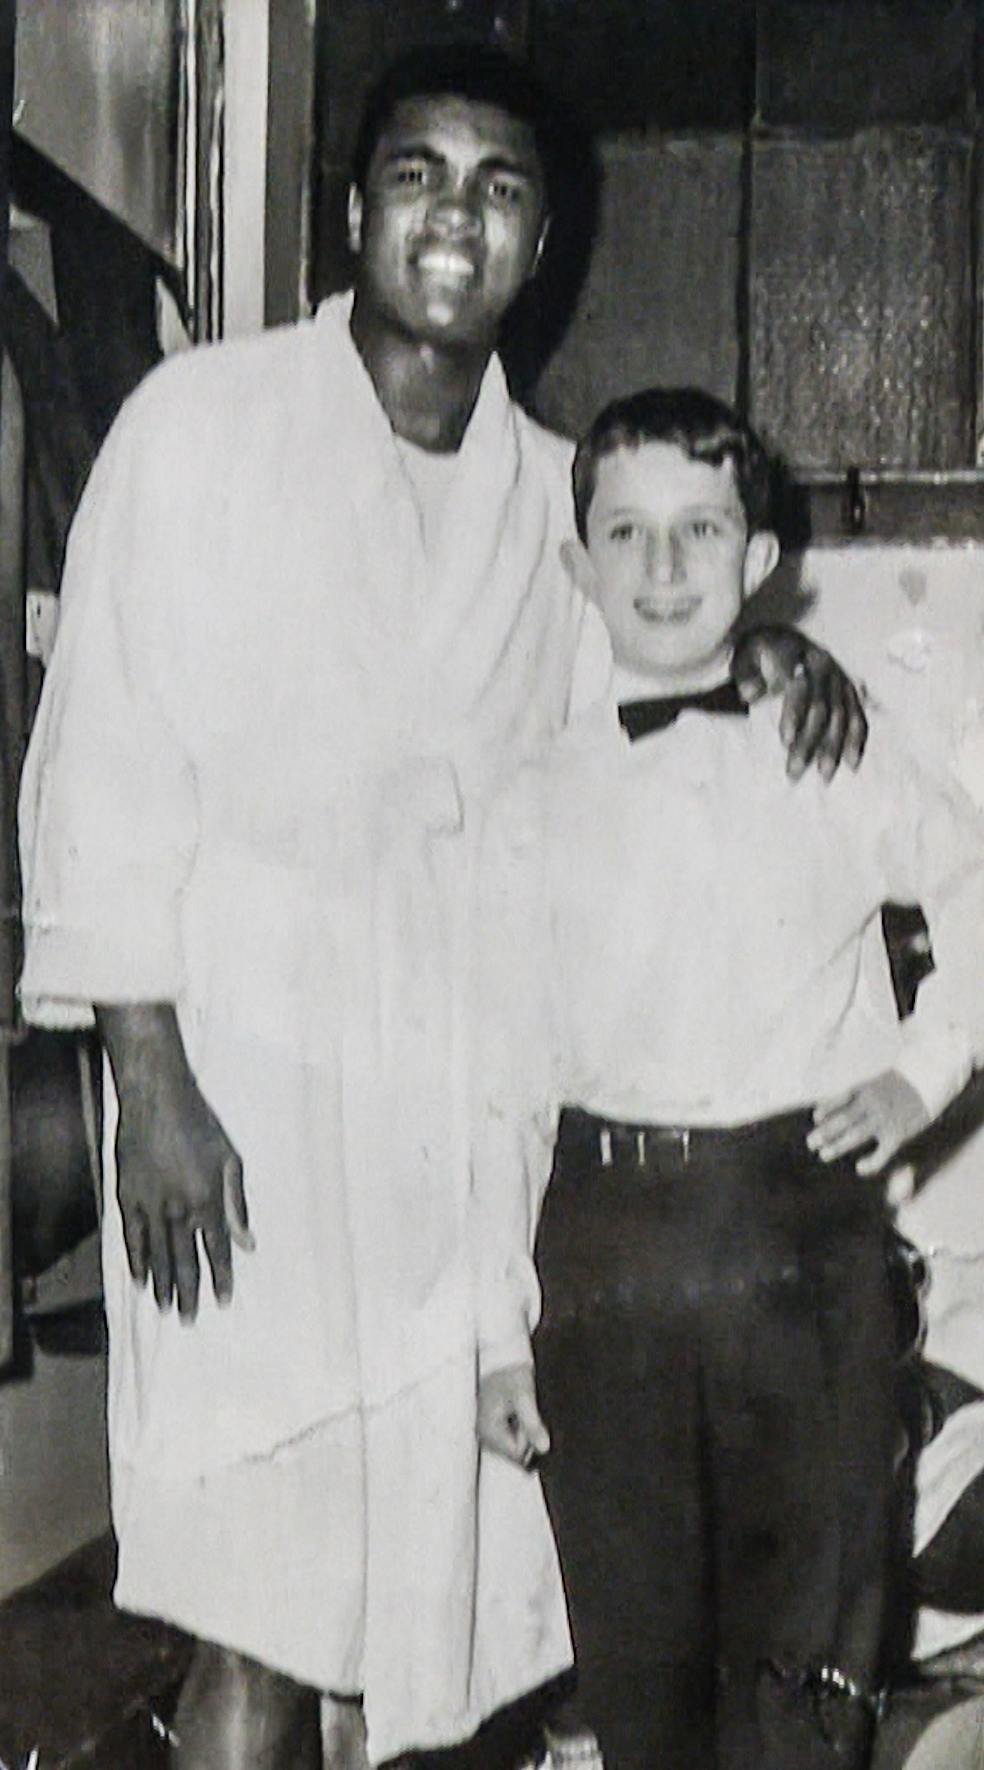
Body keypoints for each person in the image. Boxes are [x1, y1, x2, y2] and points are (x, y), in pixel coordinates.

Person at [18, 46, 866, 1770]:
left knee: (428, 1608)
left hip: (449, 1140)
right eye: (417, 175)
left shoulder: (549, 497)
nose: (454, 220)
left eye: (497, 187)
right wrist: (152, 1087)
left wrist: (761, 644)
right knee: (249, 1596)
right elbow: (103, 755)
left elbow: (636, 677)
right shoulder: (204, 429)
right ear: (353, 208)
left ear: (540, 240)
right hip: (240, 1103)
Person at [474, 388, 984, 1770]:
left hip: (798, 1237)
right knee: (642, 1682)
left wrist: (923, 1072)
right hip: (602, 1251)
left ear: (760, 559)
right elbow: (500, 1083)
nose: (661, 568)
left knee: (808, 1670)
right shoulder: (530, 794)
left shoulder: (827, 738)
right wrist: (486, 1331)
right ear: (578, 562)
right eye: (625, 533)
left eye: (701, 530)